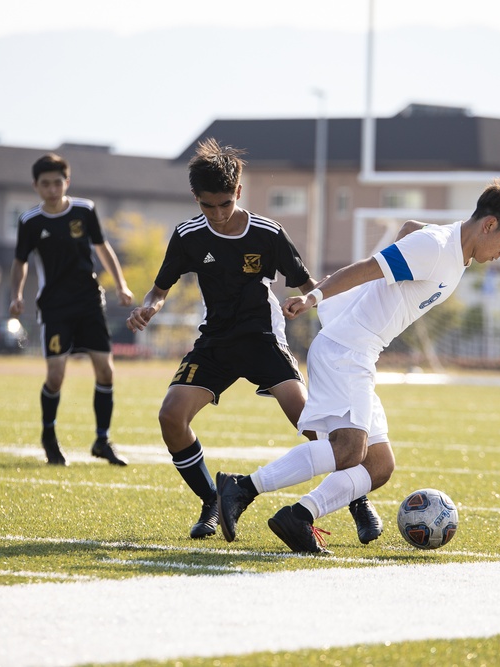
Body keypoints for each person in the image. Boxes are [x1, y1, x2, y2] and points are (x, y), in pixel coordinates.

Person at [215, 178, 500, 553]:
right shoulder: (436, 248)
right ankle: (241, 487)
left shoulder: (451, 248)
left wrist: (407, 239)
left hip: (361, 354)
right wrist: (313, 296)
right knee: (347, 451)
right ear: (489, 225)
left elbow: (408, 231)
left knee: (379, 466)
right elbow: (365, 269)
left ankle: (299, 517)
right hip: (346, 349)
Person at [126, 138, 383, 542]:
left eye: (225, 204)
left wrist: (309, 302)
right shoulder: (188, 236)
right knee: (171, 417)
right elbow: (159, 289)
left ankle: (356, 501)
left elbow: (308, 285)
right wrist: (149, 307)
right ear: (195, 199)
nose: (217, 214)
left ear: (239, 192)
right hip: (216, 343)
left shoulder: (267, 233)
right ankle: (213, 500)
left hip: (264, 340)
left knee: (317, 430)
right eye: (207, 206)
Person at [9, 153, 134, 466]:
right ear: (36, 186)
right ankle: (49, 436)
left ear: (67, 182)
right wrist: (16, 294)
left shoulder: (84, 210)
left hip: (89, 302)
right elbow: (20, 262)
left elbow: (102, 248)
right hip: (55, 307)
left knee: (106, 371)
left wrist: (121, 284)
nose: (52, 189)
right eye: (45, 184)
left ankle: (102, 440)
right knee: (56, 375)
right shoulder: (31, 222)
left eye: (57, 182)